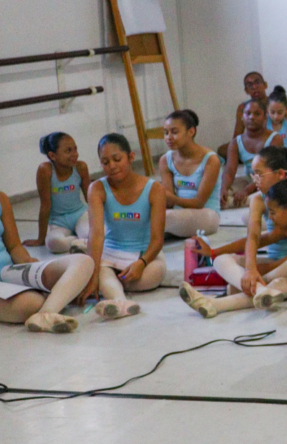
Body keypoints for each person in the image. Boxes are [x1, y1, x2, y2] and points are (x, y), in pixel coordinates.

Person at [0, 139, 95, 333]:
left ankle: (46, 313)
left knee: (83, 262)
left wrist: (29, 263)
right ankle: (49, 305)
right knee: (31, 303)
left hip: (8, 274)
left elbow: (14, 247)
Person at [181, 173, 287, 317]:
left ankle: (228, 298)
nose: (255, 180)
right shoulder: (286, 218)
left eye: (260, 174)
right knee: (221, 260)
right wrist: (213, 252)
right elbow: (255, 239)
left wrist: (259, 273)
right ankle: (255, 290)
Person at [79, 134, 167, 319]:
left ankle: (111, 290)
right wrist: (93, 275)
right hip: (110, 256)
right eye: (105, 162)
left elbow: (158, 239)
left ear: (131, 157)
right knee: (99, 272)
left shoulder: (154, 189)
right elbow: (96, 234)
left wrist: (141, 264)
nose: (111, 166)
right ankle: (121, 303)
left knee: (154, 274)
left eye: (117, 159)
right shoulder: (97, 188)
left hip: (143, 256)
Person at [23, 132, 90, 253]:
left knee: (91, 234)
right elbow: (45, 205)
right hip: (59, 222)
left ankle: (83, 239)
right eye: (68, 151)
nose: (75, 154)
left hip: (80, 215)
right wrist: (40, 239)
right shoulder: (45, 170)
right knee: (53, 243)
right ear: (53, 155)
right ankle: (79, 241)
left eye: (75, 149)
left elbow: (90, 198)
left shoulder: (81, 167)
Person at [159, 110, 221, 238]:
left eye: (175, 132)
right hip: (179, 215)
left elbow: (199, 203)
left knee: (165, 217)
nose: (169, 137)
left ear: (191, 132)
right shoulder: (166, 159)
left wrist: (169, 197)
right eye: (166, 133)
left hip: (206, 215)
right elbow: (168, 202)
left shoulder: (210, 159)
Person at [220, 99, 278, 208]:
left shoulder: (275, 139)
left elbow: (268, 173)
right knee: (220, 189)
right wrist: (224, 188)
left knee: (271, 192)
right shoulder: (235, 142)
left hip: (268, 179)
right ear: (242, 117)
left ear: (265, 117)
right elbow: (229, 171)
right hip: (249, 179)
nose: (252, 117)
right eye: (248, 113)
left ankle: (243, 201)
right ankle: (229, 199)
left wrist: (246, 191)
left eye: (257, 114)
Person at [218, 71, 269, 158]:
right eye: (249, 85)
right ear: (246, 90)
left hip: (270, 140)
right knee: (222, 150)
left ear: (265, 85)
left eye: (257, 82)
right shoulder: (243, 108)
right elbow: (237, 136)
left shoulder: (274, 103)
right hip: (252, 141)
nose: (254, 87)